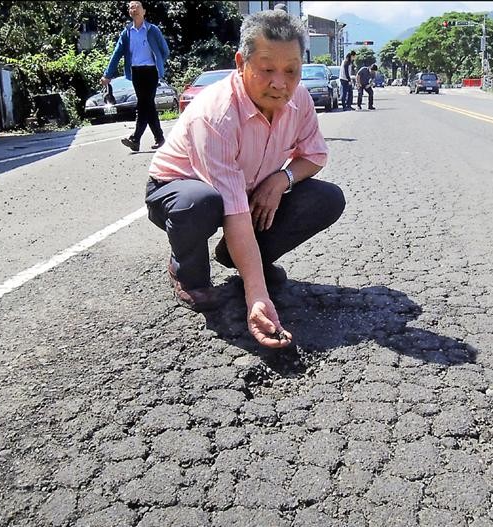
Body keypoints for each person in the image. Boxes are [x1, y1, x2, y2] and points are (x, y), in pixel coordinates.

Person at [145, 9, 345, 349]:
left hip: (248, 188)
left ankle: (241, 258)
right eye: (267, 70)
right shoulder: (216, 113)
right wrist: (257, 298)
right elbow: (233, 210)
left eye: (291, 71)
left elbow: (314, 156)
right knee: (203, 203)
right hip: (179, 191)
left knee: (326, 198)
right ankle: (187, 271)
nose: (280, 84)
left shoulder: (298, 100)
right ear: (241, 62)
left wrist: (281, 179)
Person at [101, 1, 170, 152]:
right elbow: (117, 53)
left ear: (144, 11)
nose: (134, 10)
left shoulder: (153, 30)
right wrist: (107, 74)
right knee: (147, 105)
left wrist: (158, 64)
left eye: (137, 7)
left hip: (151, 72)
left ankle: (135, 138)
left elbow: (165, 51)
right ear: (129, 12)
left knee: (143, 104)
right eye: (131, 7)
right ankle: (159, 138)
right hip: (136, 72)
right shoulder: (127, 33)